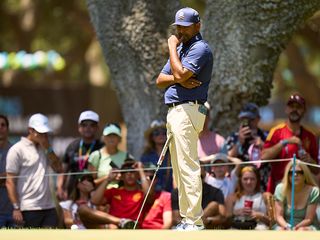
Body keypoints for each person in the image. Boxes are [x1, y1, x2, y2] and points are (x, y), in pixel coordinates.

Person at [156, 7, 213, 230]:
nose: (181, 31)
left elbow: (180, 74)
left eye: (185, 27)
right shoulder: (181, 49)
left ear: (197, 26)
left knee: (188, 166)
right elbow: (160, 80)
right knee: (179, 170)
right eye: (178, 27)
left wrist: (171, 47)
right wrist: (177, 78)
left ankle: (195, 221)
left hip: (188, 110)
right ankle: (186, 219)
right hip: (175, 111)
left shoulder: (200, 48)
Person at [6, 113, 62, 228]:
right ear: (30, 130)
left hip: (49, 207)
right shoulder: (17, 149)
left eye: (45, 133)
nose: (43, 135)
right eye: (40, 132)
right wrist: (16, 208)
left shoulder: (46, 148)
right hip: (28, 208)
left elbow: (58, 168)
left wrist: (48, 148)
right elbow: (9, 181)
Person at [261, 93, 319, 193]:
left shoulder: (310, 136)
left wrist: (310, 161)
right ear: (286, 109)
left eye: (298, 107)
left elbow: (316, 170)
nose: (294, 110)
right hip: (279, 186)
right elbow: (264, 157)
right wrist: (285, 142)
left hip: (301, 189)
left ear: (304, 111)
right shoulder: (276, 132)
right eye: (291, 106)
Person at [77, 160, 150, 229]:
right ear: (121, 176)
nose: (129, 174)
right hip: (114, 226)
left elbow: (148, 195)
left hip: (134, 228)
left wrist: (141, 171)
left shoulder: (142, 192)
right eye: (125, 171)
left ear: (138, 175)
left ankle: (123, 223)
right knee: (82, 209)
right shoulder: (113, 191)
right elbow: (95, 201)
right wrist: (108, 179)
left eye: (132, 171)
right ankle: (121, 222)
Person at [57, 110, 103, 199]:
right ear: (79, 127)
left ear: (97, 128)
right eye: (84, 125)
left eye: (92, 125)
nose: (88, 128)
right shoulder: (72, 146)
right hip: (73, 193)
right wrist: (60, 188)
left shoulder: (102, 147)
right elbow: (63, 171)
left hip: (95, 194)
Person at [225, 103, 269, 191]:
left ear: (258, 119)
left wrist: (263, 146)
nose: (248, 123)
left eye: (251, 119)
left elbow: (275, 156)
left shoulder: (267, 136)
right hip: (240, 189)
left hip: (262, 186)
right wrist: (239, 143)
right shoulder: (233, 137)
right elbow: (227, 159)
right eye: (244, 120)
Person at [171, 162, 226, 229]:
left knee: (213, 205)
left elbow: (223, 218)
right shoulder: (177, 192)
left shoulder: (216, 192)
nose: (196, 180)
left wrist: (208, 221)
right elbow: (175, 219)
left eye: (200, 177)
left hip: (208, 229)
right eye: (193, 176)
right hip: (185, 230)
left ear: (205, 174)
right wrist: (191, 224)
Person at [273, 161, 319, 230]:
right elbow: (279, 216)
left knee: (302, 231)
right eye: (291, 173)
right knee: (281, 231)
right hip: (284, 226)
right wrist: (287, 227)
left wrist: (296, 228)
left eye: (299, 172)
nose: (295, 175)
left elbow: (309, 219)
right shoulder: (280, 189)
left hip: (306, 227)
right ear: (287, 175)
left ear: (305, 175)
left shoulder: (313, 191)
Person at [225, 165, 273, 230]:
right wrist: (235, 213)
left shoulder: (266, 196)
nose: (249, 182)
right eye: (245, 179)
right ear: (240, 180)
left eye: (252, 179)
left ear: (257, 180)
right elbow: (225, 223)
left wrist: (261, 216)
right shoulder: (232, 197)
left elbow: (274, 223)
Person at [141, 120, 173, 192]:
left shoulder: (173, 153)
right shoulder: (146, 156)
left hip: (170, 193)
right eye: (156, 133)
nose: (160, 135)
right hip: (152, 195)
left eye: (164, 133)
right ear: (151, 137)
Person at [141, 162, 172, 229]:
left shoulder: (166, 196)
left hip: (159, 233)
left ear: (156, 179)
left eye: (151, 177)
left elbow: (168, 222)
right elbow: (148, 194)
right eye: (145, 177)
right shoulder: (138, 195)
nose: (148, 180)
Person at [0, 114, 14, 228]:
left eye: (3, 125)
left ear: (7, 129)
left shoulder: (15, 151)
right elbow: (10, 177)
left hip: (13, 212)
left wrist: (7, 177)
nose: (0, 128)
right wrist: (7, 177)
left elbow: (16, 178)